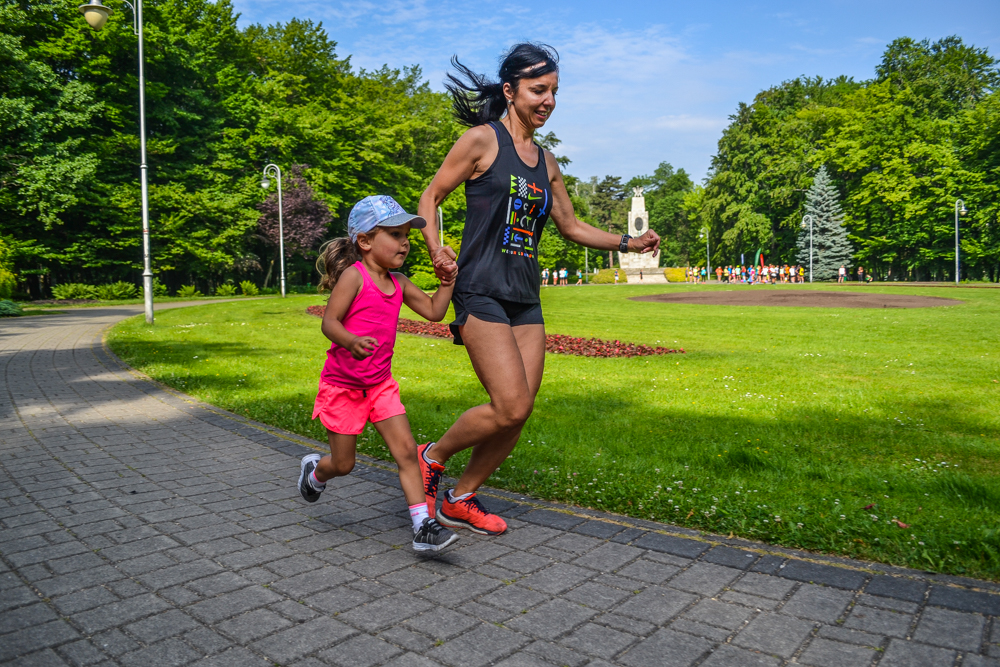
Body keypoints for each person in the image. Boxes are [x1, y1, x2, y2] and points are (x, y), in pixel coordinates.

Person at [414, 43, 661, 535]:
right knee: (508, 403)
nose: (547, 100)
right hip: (480, 287)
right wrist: (435, 248)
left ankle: (461, 497)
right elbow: (431, 195)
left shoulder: (546, 162)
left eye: (553, 92)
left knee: (519, 411)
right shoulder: (481, 141)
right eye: (538, 90)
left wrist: (628, 240)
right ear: (510, 91)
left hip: (525, 294)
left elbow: (570, 226)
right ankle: (432, 456)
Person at [300, 195, 459, 552]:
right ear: (366, 241)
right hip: (343, 386)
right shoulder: (353, 278)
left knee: (406, 452)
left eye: (406, 235)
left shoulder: (399, 282)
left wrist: (447, 281)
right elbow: (330, 322)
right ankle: (316, 473)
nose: (404, 242)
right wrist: (351, 341)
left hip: (380, 386)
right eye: (395, 234)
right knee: (344, 463)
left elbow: (434, 311)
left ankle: (423, 527)